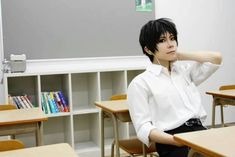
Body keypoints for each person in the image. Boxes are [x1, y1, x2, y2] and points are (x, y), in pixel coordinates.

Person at [127, 18, 222, 157]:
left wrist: (179, 55)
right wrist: (175, 141)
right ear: (147, 49)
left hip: (201, 132)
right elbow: (143, 128)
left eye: (172, 38)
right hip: (172, 140)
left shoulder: (184, 71)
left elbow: (216, 58)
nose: (170, 44)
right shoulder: (140, 83)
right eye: (162, 40)